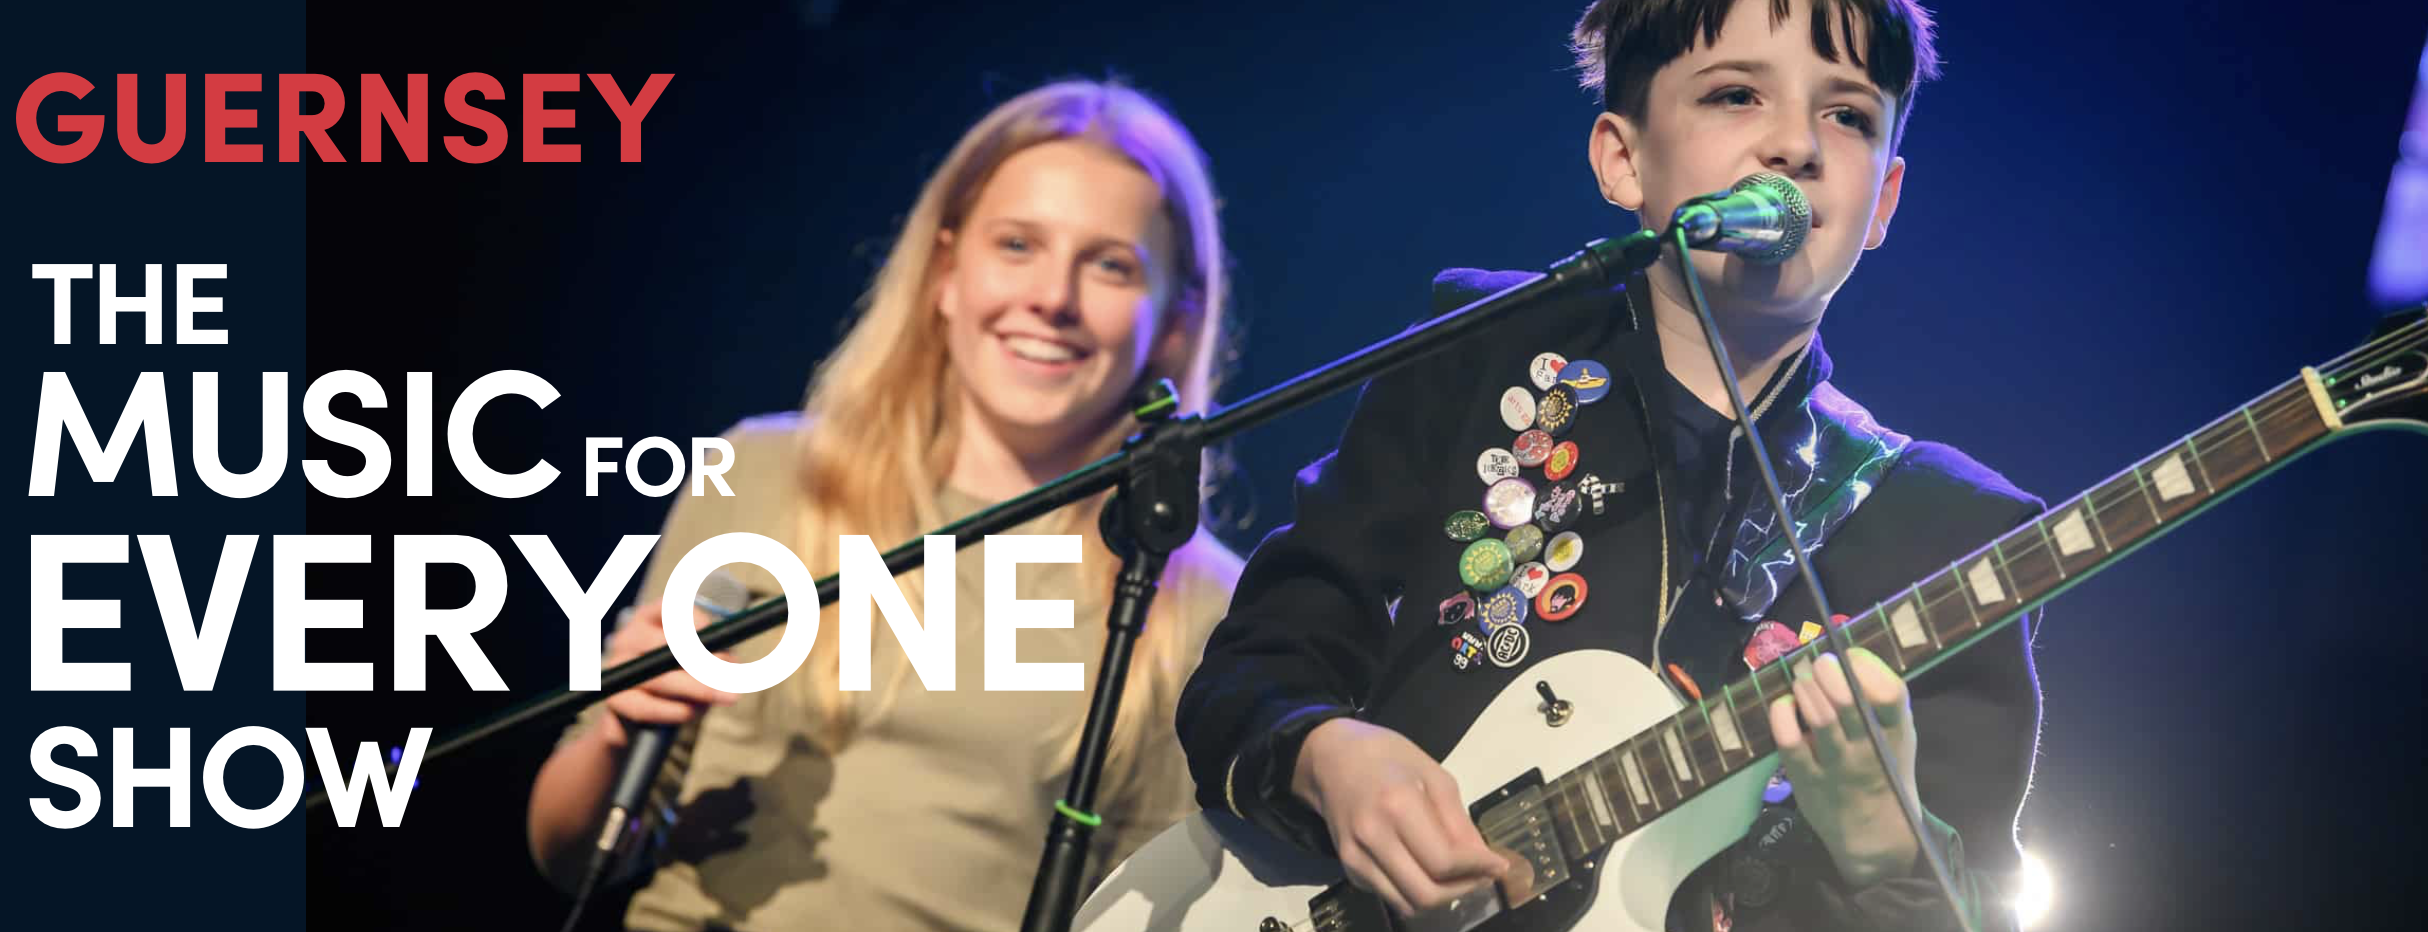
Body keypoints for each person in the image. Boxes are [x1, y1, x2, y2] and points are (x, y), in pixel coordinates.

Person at [1176, 2, 2044, 930]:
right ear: (1622, 158)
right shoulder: (1485, 350)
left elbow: (1979, 903)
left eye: (1848, 115)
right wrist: (1325, 754)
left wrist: (1886, 845)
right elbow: (1264, 654)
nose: (1796, 145)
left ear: (1884, 200)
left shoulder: (1949, 528)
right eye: (1737, 95)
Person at [524, 79, 1246, 932]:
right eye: (1017, 244)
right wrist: (619, 728)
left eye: (1110, 264)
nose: (1053, 297)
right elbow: (567, 853)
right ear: (945, 272)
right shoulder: (763, 471)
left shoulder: (1197, 602)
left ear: (1174, 318)